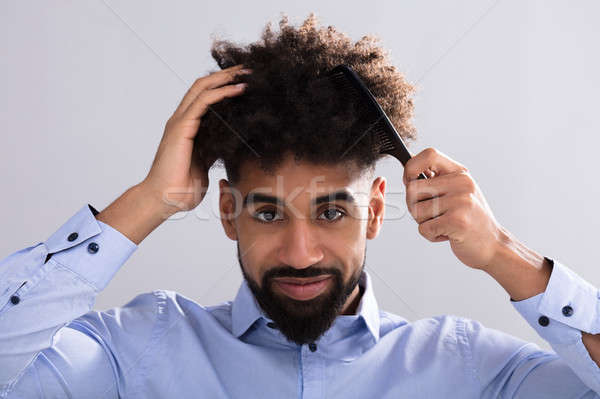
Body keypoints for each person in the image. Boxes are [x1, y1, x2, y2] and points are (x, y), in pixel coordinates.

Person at [1, 13, 599, 398]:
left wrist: (502, 254)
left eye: (331, 212)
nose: (300, 252)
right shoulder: (134, 350)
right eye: (267, 213)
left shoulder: (471, 370)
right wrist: (148, 201)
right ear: (228, 211)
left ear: (373, 211)